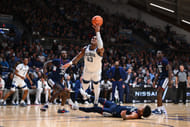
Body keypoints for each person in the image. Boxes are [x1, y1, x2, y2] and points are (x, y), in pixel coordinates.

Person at [63, 24, 104, 106]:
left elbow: (101, 45)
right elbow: (77, 57)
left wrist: (97, 32)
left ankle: (95, 102)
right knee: (83, 88)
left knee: (96, 86)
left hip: (96, 71)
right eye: (92, 38)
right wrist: (70, 63)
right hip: (87, 71)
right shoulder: (85, 48)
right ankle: (80, 100)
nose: (93, 39)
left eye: (95, 39)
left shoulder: (99, 50)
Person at [71, 96, 151, 120]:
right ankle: (87, 96)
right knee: (102, 100)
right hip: (115, 106)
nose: (141, 106)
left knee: (95, 109)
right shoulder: (137, 110)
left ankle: (77, 107)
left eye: (142, 108)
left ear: (142, 112)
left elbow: (127, 117)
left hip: (112, 112)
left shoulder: (135, 115)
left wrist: (123, 116)